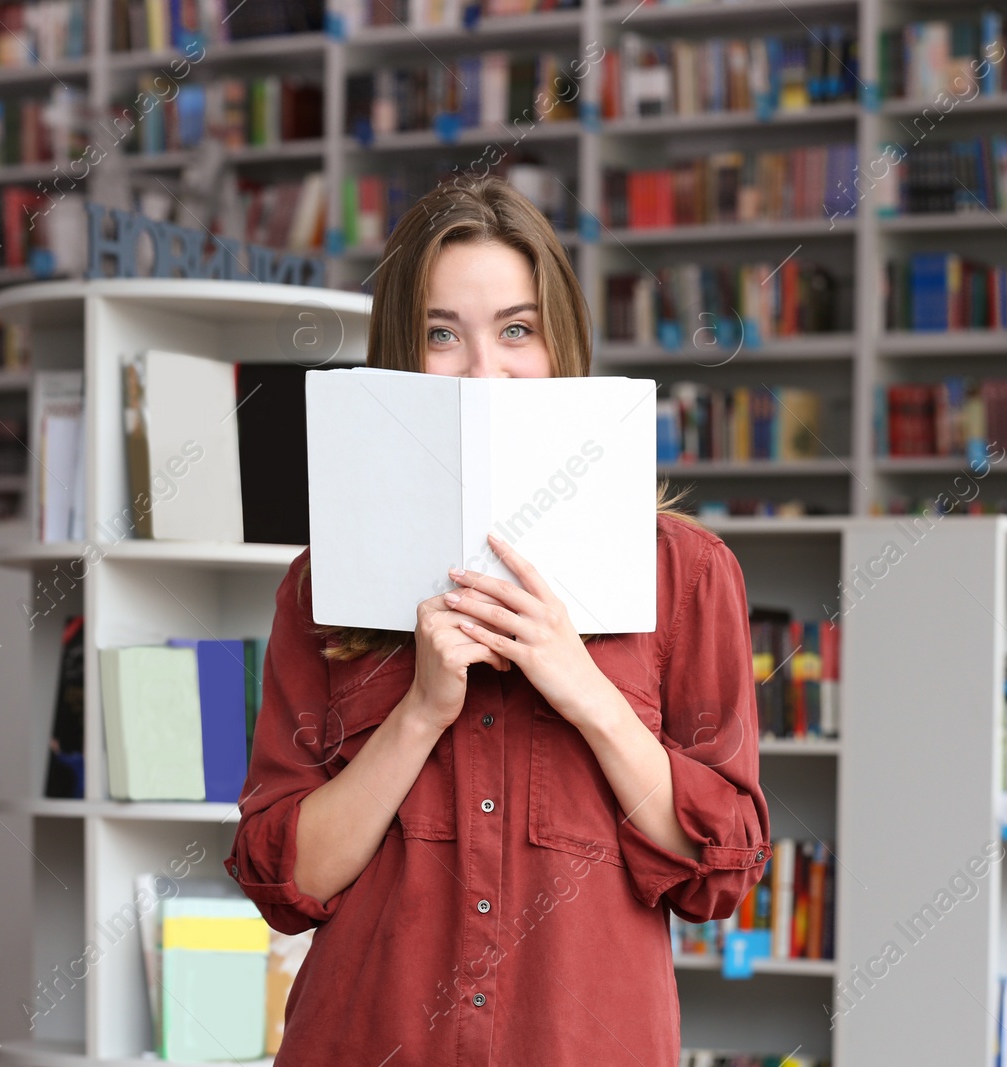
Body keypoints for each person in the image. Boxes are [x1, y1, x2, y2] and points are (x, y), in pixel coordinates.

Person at [226, 175, 770, 1065]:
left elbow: (719, 877)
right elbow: (287, 883)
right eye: (443, 334)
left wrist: (586, 692)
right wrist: (420, 712)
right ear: (401, 354)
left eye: (517, 329)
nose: (485, 370)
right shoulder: (321, 587)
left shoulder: (688, 575)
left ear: (564, 347)